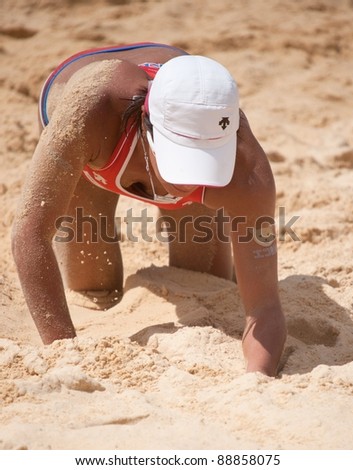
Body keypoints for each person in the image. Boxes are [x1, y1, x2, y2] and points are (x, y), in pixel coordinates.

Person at [12, 42, 286, 376]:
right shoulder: (91, 113)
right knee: (93, 287)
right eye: (181, 164)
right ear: (146, 125)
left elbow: (265, 307)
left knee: (204, 281)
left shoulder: (248, 172)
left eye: (205, 165)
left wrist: (258, 379)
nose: (189, 183)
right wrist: (66, 356)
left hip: (181, 81)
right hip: (95, 133)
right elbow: (30, 233)